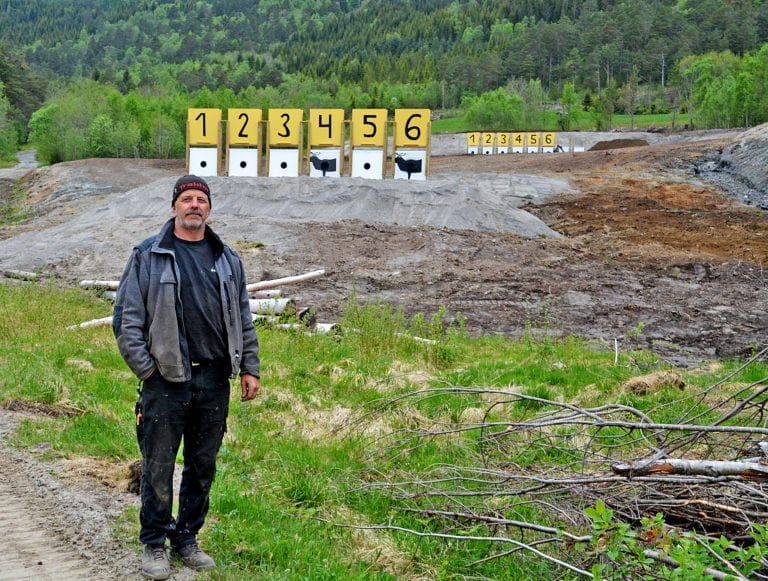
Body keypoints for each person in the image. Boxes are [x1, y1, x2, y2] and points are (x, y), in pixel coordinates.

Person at [112, 175, 261, 580]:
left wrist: (249, 367)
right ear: (174, 207)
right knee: (158, 466)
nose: (194, 205)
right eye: (187, 199)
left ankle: (187, 537)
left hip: (214, 379)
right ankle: (154, 543)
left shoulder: (227, 259)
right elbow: (126, 319)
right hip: (165, 381)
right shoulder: (149, 255)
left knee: (202, 465)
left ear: (209, 208)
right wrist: (147, 369)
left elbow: (243, 318)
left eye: (201, 199)